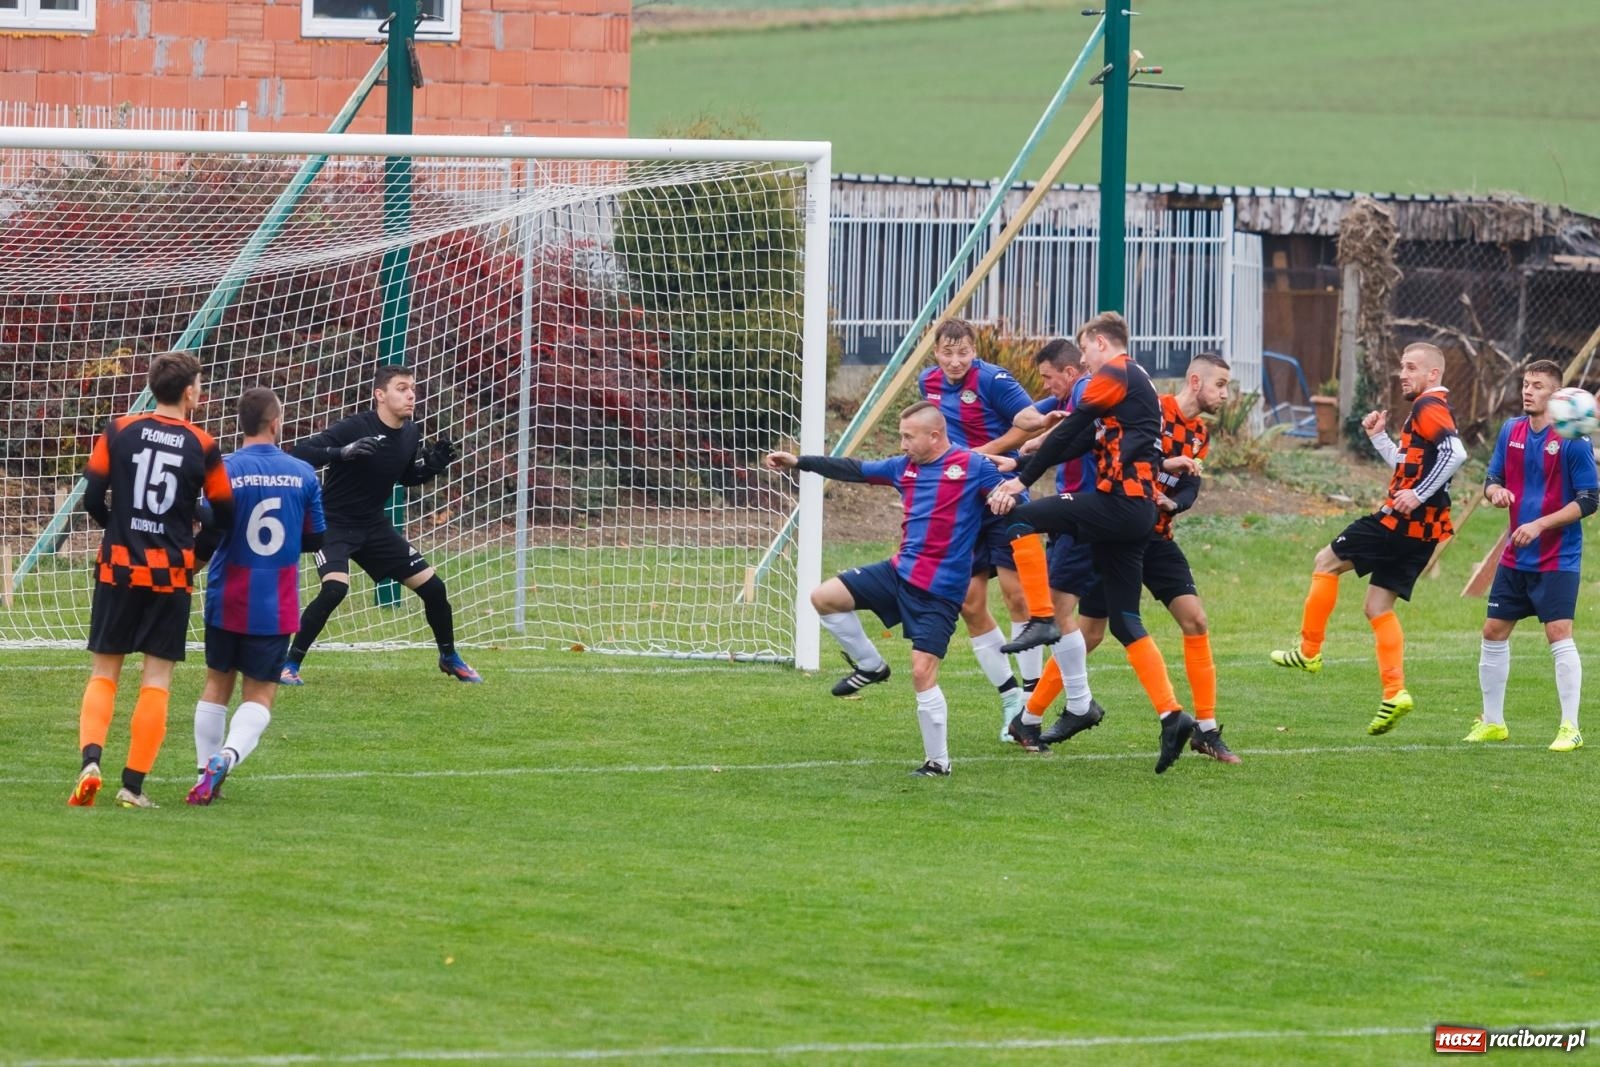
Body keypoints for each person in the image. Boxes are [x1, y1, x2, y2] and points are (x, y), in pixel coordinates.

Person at [988, 311, 1196, 774]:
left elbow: (1077, 425)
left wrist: (1022, 480)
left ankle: (1041, 619)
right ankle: (1170, 714)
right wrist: (1032, 450)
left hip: (1117, 503)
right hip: (1137, 515)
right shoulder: (1135, 381)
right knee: (1124, 622)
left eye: (1085, 350)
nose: (1083, 360)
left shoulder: (1116, 371)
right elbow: (1088, 437)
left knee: (1019, 519)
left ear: (1101, 343)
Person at [764, 401, 1007, 776]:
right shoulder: (903, 468)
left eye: (908, 436)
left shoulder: (972, 467)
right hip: (898, 573)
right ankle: (871, 665)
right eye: (901, 436)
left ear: (935, 435)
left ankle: (937, 763)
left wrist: (1007, 495)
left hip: (941, 591)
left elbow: (1014, 498)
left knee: (922, 672)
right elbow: (853, 469)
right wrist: (799, 462)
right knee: (823, 597)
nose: (903, 443)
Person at [1271, 342, 1466, 734]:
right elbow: (1410, 464)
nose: (1402, 374)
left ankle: (1309, 651)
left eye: (1411, 367)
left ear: (1433, 375)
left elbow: (1455, 453)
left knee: (1325, 561)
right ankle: (1395, 692)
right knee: (1378, 607)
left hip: (1399, 522)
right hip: (1424, 532)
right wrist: (1380, 437)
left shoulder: (1429, 406)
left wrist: (1417, 493)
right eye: (1401, 366)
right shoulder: (1427, 412)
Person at [69, 351, 234, 810]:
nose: (201, 392)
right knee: (156, 679)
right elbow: (225, 514)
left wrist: (117, 526)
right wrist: (196, 556)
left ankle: (90, 762)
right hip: (169, 575)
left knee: (105, 670)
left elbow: (91, 497)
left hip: (116, 568)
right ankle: (132, 786)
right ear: (187, 392)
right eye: (200, 385)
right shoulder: (202, 444)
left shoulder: (118, 429)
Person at [1079, 352, 1240, 764]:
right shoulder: (1153, 411)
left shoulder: (1200, 432)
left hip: (1158, 538)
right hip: (1120, 535)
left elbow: (1190, 485)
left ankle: (1206, 729)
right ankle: (1030, 713)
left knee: (1196, 620)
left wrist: (1173, 503)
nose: (1226, 394)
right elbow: (1125, 457)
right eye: (1220, 384)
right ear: (1195, 381)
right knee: (1090, 634)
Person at [279, 364, 480, 685]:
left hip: (374, 527)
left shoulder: (411, 432)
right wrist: (341, 452)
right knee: (335, 589)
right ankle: (289, 664)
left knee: (434, 589)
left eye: (412, 388)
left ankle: (449, 657)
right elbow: (300, 453)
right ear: (380, 395)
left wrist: (430, 468)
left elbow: (405, 477)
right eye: (401, 388)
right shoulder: (355, 426)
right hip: (334, 525)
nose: (411, 394)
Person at [187, 388, 327, 805]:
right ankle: (227, 757)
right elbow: (316, 537)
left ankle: (202, 769)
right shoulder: (303, 473)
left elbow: (207, 523)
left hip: (227, 593)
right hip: (275, 600)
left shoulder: (224, 469)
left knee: (216, 683)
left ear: (240, 424)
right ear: (275, 422)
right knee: (261, 693)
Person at [978, 338, 1103, 752]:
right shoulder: (1067, 398)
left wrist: (1022, 468)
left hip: (1085, 517)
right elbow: (1034, 418)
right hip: (1092, 518)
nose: (1047, 387)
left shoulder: (1087, 391)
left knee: (1054, 610)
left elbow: (1070, 434)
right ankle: (1034, 714)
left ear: (1070, 372)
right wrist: (1016, 455)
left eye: (1049, 379)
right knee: (1104, 628)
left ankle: (1058, 706)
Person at [918, 318, 1040, 738]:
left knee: (1017, 596)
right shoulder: (927, 382)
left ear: (975, 350)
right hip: (962, 505)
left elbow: (1029, 425)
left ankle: (1031, 701)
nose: (955, 361)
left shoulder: (995, 380)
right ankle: (1009, 699)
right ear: (936, 352)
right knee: (970, 603)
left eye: (963, 352)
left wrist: (979, 454)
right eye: (947, 353)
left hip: (1004, 492)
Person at [1467, 360, 1597, 752]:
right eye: (1526, 384)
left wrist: (1540, 525)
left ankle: (1570, 727)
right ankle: (1493, 722)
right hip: (1516, 556)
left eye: (1537, 386)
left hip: (1558, 556)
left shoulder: (1573, 438)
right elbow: (1492, 479)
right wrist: (1496, 494)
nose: (1527, 391)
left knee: (1558, 634)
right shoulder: (1511, 431)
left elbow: (1589, 501)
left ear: (1555, 395)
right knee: (1493, 631)